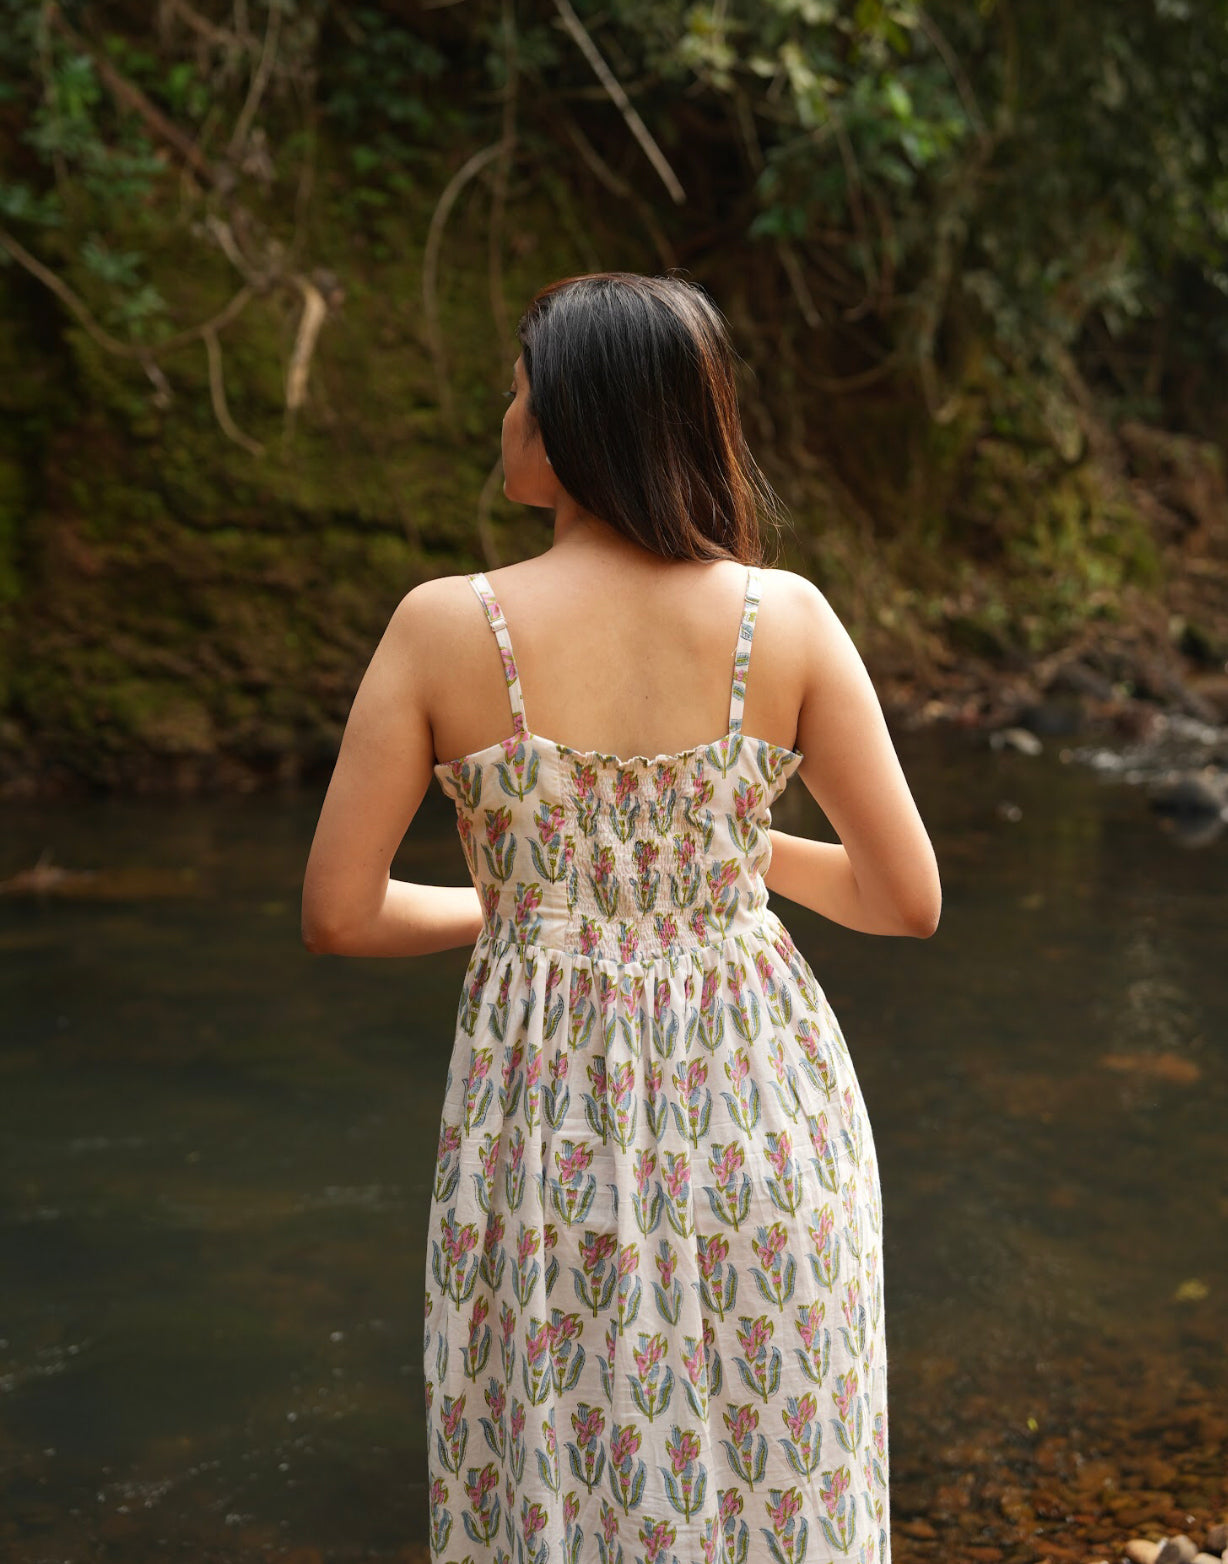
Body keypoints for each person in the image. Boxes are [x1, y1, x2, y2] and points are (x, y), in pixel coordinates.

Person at [301, 271, 940, 1564]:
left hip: (547, 1120)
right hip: (769, 1112)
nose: (505, 411)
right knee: (779, 1469)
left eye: (519, 388)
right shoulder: (788, 619)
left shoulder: (444, 627)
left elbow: (340, 914)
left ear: (575, 419)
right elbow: (904, 900)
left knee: (556, 1461)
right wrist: (732, 850)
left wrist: (529, 914)